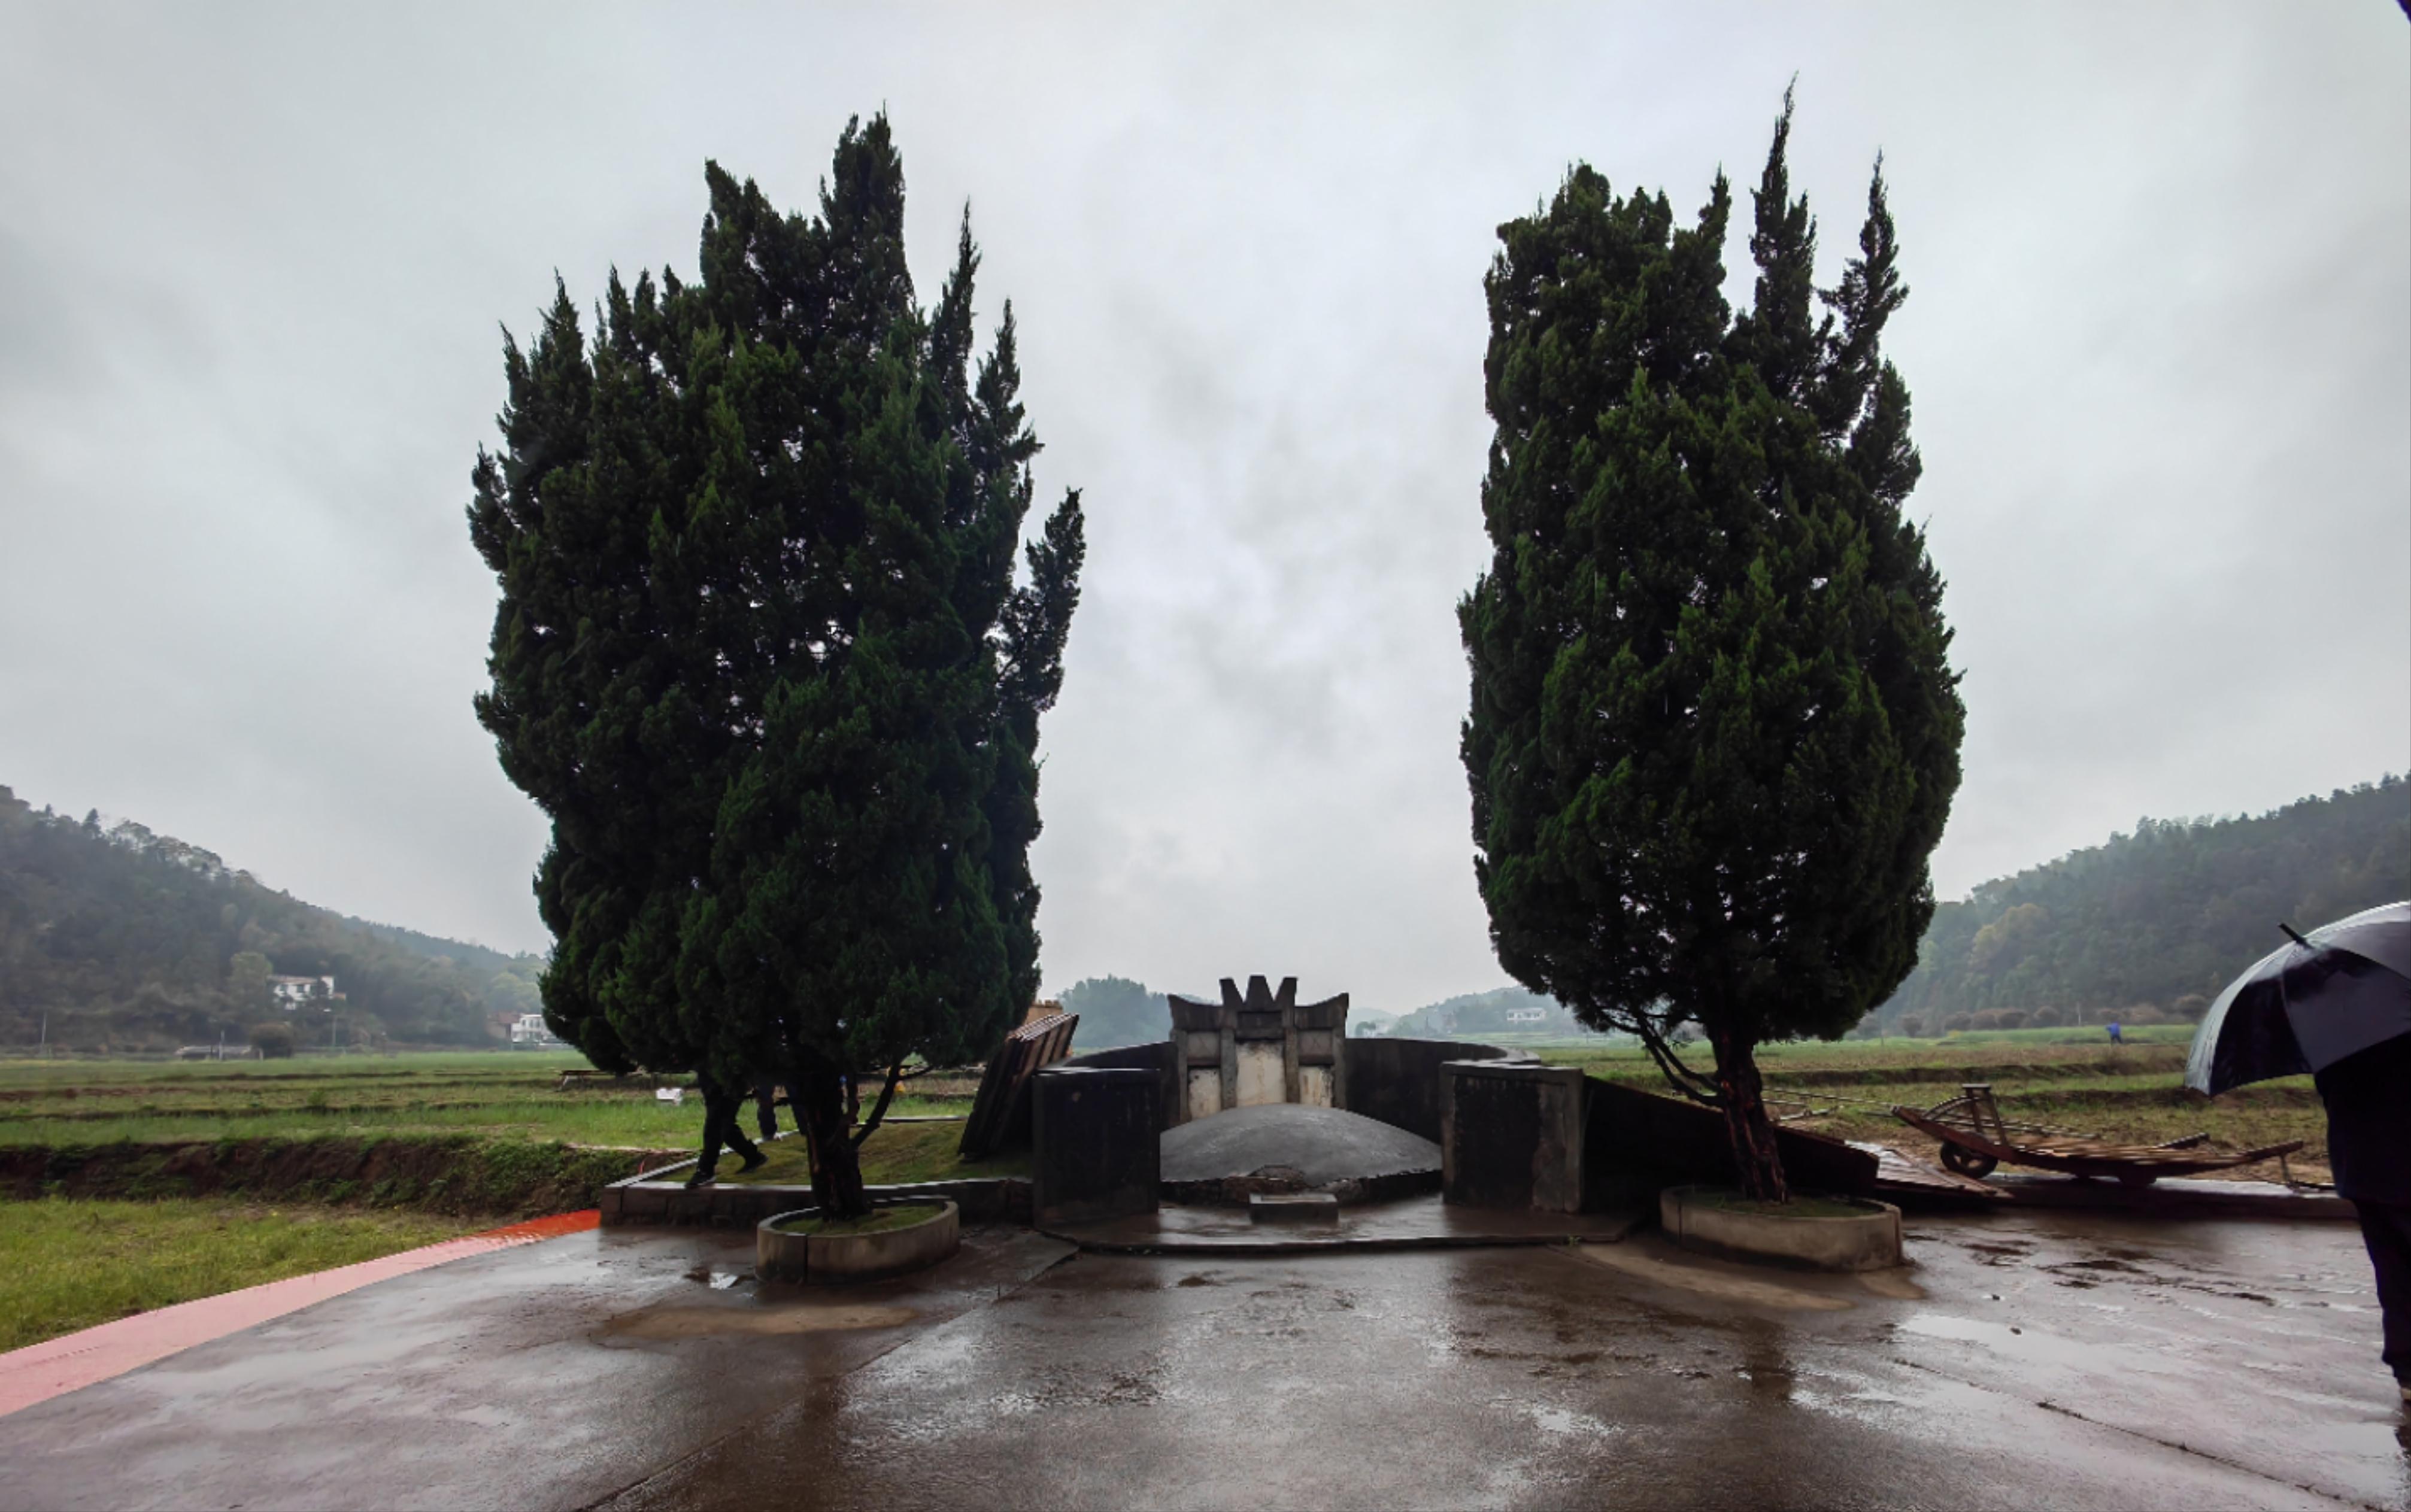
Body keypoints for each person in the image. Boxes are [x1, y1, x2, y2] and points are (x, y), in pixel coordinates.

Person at [2315, 1032, 2411, 1404]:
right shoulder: (2399, 1026)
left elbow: (2331, 1095)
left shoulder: (2332, 1039)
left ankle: (2407, 1370)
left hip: (2362, 1171)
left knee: (2394, 1272)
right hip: (2397, 1165)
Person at [686, 1073, 768, 1189]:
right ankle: (753, 1156)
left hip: (731, 1076)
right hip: (710, 1075)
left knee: (715, 1122)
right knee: (725, 1125)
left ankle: (705, 1169)